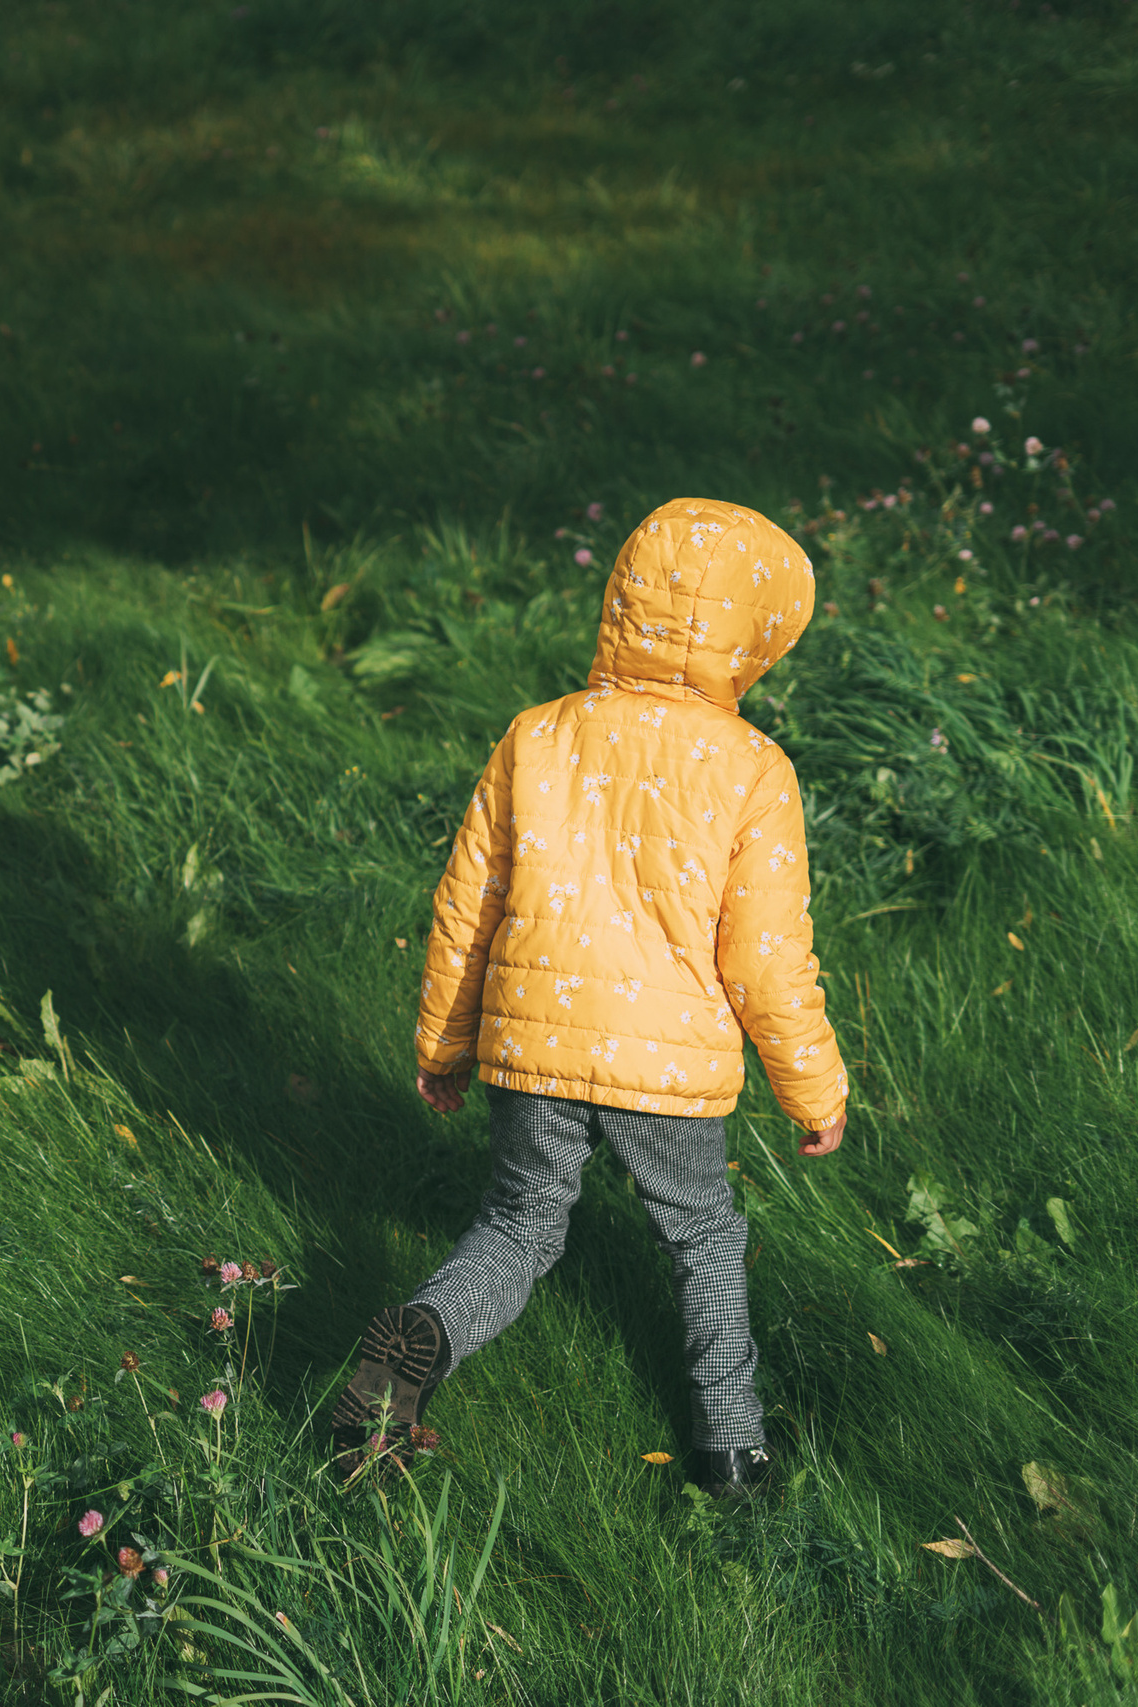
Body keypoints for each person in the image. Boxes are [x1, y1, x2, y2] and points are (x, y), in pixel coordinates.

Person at [335, 498, 848, 1499]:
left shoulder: (537, 736)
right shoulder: (752, 769)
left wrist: (445, 1044)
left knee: (522, 1223)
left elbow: (467, 907)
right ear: (749, 637)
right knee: (702, 1231)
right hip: (667, 1064)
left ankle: (424, 1337)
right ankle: (731, 1450)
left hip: (531, 1048)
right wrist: (813, 1092)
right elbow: (766, 957)